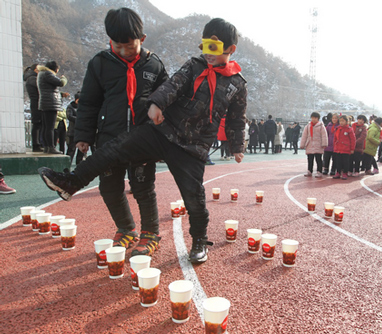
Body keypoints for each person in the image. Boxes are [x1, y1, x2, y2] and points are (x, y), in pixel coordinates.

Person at [39, 17, 247, 264]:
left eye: (213, 47)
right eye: (204, 46)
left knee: (194, 197)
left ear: (230, 49)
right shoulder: (193, 66)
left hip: (193, 147)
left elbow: (236, 118)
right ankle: (72, 181)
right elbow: (173, 85)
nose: (207, 53)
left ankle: (199, 240)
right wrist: (157, 104)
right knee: (114, 149)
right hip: (162, 131)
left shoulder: (238, 83)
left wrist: (237, 146)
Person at [72, 8, 169, 257]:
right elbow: (89, 102)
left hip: (142, 140)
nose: (125, 51)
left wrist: (162, 136)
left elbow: (167, 99)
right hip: (108, 140)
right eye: (118, 46)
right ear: (109, 40)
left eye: (130, 46)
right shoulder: (99, 64)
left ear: (142, 39)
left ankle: (150, 233)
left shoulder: (154, 65)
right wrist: (83, 135)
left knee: (143, 188)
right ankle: (126, 229)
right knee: (110, 188)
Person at [37, 61, 68, 154]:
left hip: (45, 102)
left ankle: (46, 146)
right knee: (50, 127)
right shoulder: (48, 74)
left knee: (46, 127)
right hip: (50, 103)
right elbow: (61, 83)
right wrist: (63, 78)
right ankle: (51, 147)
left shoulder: (41, 74)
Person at [300, 112, 328, 177]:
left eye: (315, 118)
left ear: (318, 118)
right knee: (310, 159)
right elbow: (304, 136)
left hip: (318, 145)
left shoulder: (321, 126)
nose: (313, 119)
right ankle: (309, 171)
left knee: (318, 159)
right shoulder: (307, 126)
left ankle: (319, 171)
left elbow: (324, 136)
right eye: (312, 118)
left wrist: (324, 144)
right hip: (309, 145)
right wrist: (302, 144)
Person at [23, 64, 43, 152]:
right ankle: (36, 144)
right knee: (37, 124)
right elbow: (41, 88)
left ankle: (38, 143)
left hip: (36, 103)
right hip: (36, 103)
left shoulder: (30, 78)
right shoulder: (32, 79)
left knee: (38, 124)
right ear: (35, 70)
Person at [332, 115, 355, 180]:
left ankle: (345, 173)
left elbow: (353, 140)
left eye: (343, 121)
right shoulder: (337, 129)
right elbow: (335, 139)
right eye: (340, 121)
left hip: (346, 149)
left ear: (347, 121)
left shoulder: (349, 129)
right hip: (338, 149)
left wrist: (352, 149)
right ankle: (338, 172)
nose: (341, 122)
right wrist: (335, 147)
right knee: (338, 161)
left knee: (346, 162)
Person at [66, 92, 84, 165]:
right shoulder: (70, 107)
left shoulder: (83, 107)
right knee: (71, 149)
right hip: (73, 131)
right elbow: (69, 116)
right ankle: (67, 163)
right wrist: (79, 119)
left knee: (81, 150)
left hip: (82, 132)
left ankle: (79, 163)